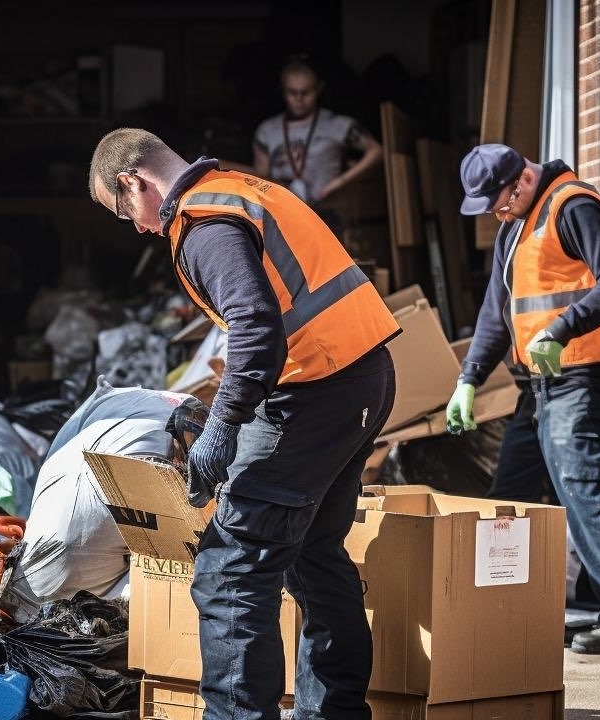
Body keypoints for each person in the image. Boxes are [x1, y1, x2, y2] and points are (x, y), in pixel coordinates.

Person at [89, 128, 397, 720]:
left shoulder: (205, 227)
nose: (138, 226)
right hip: (361, 378)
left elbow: (257, 327)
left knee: (229, 568)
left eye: (124, 210)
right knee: (315, 552)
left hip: (316, 392)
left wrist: (224, 426)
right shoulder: (238, 190)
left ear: (134, 181)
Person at [443, 144, 600, 653]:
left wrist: (563, 327)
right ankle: (502, 609)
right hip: (536, 386)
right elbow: (497, 312)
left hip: (581, 375)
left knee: (583, 487)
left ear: (521, 181)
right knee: (508, 494)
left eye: (497, 201)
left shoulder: (572, 205)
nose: (495, 212)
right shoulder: (514, 227)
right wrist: (468, 377)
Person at [250, 57, 382, 206]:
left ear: (318, 89)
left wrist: (341, 182)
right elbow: (259, 178)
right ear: (283, 91)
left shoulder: (337, 124)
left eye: (305, 92)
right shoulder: (267, 130)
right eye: (292, 93)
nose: (299, 99)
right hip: (283, 209)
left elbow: (376, 151)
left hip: (328, 208)